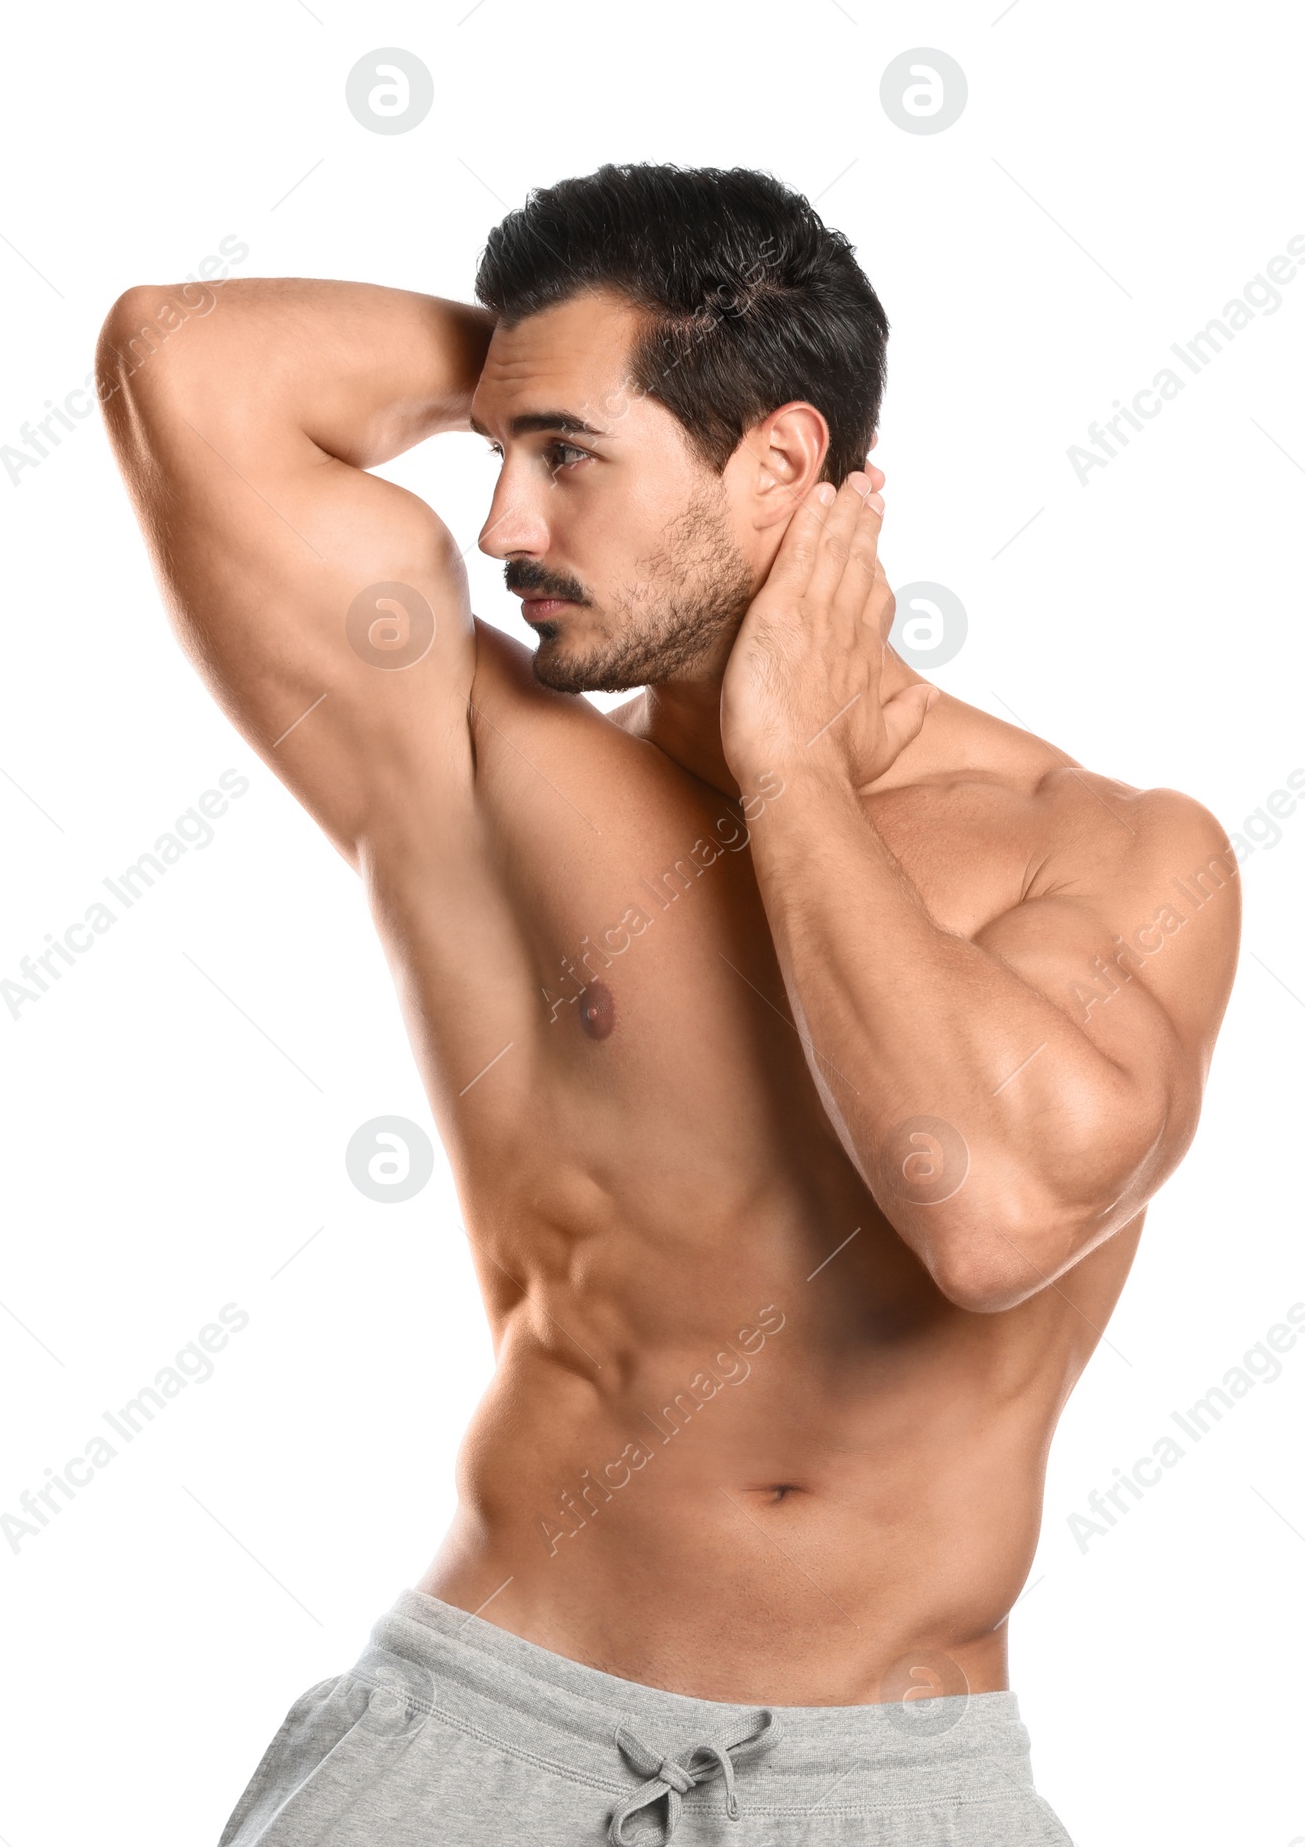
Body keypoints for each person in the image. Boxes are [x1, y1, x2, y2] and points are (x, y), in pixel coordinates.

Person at [99, 163, 1240, 1846]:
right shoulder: (486, 769)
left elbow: (992, 1214)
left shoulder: (1120, 852)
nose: (500, 528)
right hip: (485, 1734)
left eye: (565, 459)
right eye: (498, 454)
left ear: (780, 462)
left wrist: (788, 759)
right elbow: (178, 363)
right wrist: (547, 373)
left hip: (893, 1781)